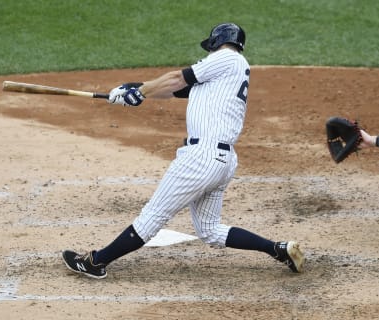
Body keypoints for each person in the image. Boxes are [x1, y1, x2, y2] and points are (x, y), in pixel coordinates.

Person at [62, 22, 305, 279]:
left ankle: (96, 261)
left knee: (152, 217)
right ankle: (278, 249)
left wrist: (140, 92)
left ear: (216, 42)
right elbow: (174, 89)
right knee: (210, 229)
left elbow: (177, 78)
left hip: (201, 159)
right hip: (221, 160)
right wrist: (130, 88)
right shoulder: (223, 75)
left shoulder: (227, 58)